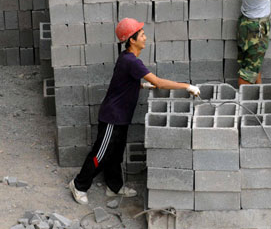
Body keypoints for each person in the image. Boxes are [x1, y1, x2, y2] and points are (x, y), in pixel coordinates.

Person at [69, 18, 200, 205]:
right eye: (142, 34)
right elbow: (159, 83)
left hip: (121, 118)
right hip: (112, 118)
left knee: (116, 154)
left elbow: (123, 82)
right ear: (132, 39)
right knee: (100, 154)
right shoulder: (132, 62)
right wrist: (187, 86)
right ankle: (79, 185)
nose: (145, 37)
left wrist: (140, 85)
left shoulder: (127, 59)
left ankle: (114, 188)